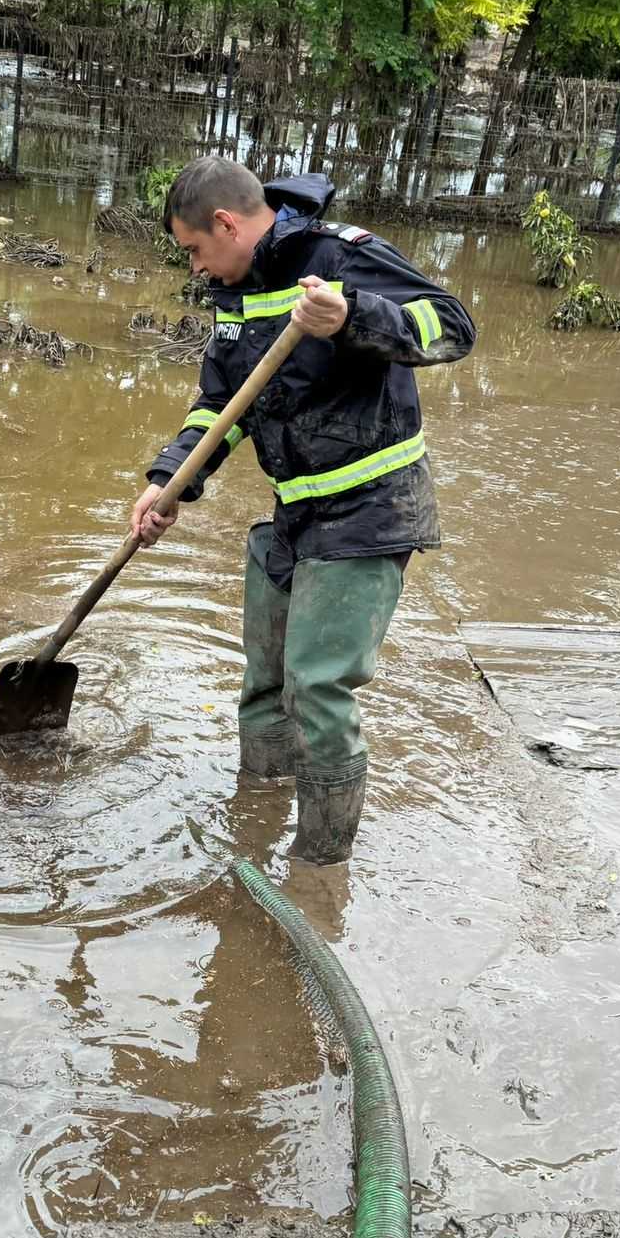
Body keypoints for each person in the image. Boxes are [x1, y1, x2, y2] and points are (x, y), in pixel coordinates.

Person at [130, 158, 475, 864]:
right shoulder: (235, 293)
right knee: (264, 683)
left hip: (371, 509)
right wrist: (170, 483)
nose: (194, 269)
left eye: (195, 250)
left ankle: (317, 870)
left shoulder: (337, 256)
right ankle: (257, 811)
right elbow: (221, 406)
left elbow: (451, 326)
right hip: (294, 514)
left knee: (318, 690)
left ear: (226, 224)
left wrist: (353, 316)